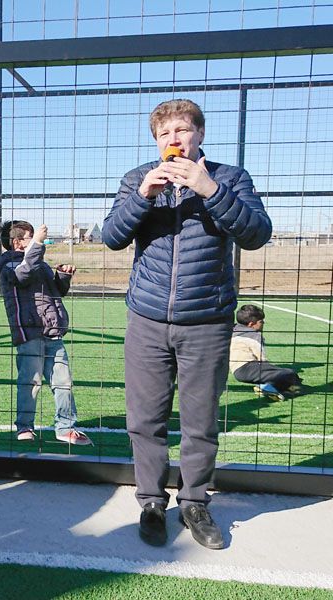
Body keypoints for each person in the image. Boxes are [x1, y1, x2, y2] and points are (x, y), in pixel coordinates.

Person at [102, 99, 272, 549]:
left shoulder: (230, 178)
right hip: (147, 318)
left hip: (207, 321)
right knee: (145, 419)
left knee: (200, 421)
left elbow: (256, 234)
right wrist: (143, 198)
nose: (173, 140)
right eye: (164, 134)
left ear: (199, 134)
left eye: (182, 130)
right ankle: (152, 502)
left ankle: (195, 501)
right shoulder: (137, 179)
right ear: (156, 141)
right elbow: (112, 237)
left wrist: (209, 189)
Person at [0, 220, 92, 446]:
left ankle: (65, 427)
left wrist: (63, 277)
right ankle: (25, 427)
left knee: (64, 382)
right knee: (30, 383)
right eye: (31, 237)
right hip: (29, 334)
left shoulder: (39, 263)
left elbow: (57, 292)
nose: (38, 239)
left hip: (53, 333)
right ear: (17, 242)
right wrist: (37, 244)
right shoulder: (7, 264)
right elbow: (22, 276)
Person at [229, 304, 303, 401]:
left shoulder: (233, 330)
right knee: (290, 374)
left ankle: (271, 387)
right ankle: (267, 387)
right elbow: (261, 358)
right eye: (261, 321)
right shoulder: (255, 335)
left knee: (279, 373)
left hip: (236, 371)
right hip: (249, 368)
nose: (263, 323)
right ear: (251, 324)